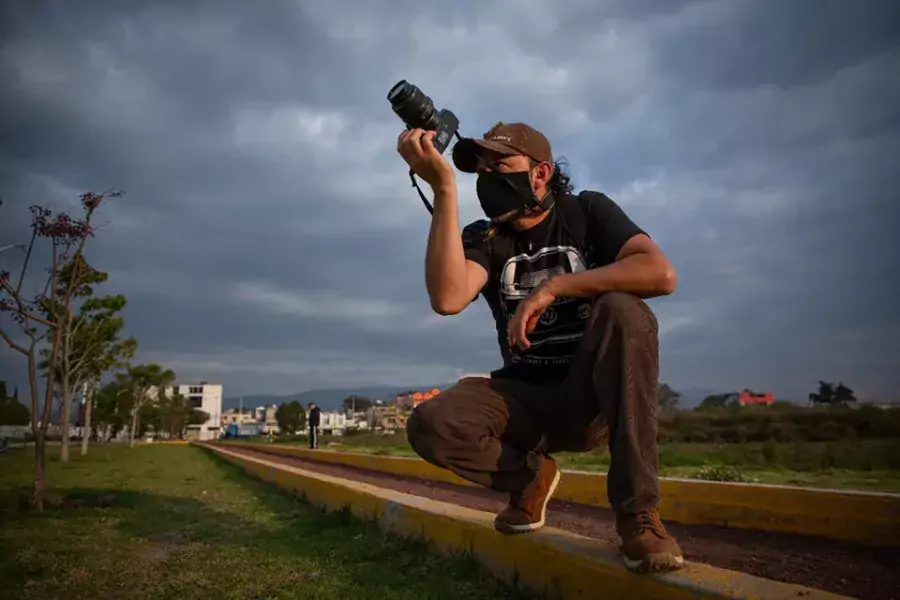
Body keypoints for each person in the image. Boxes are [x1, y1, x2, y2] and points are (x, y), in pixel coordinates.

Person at [396, 122, 683, 573]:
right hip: (526, 398)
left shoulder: (587, 212)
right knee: (433, 422)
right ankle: (531, 478)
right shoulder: (486, 238)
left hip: (590, 395)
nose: (489, 177)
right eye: (481, 170)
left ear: (540, 173)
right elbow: (449, 297)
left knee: (624, 310)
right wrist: (445, 190)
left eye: (501, 164)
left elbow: (659, 273)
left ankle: (638, 516)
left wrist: (557, 286)